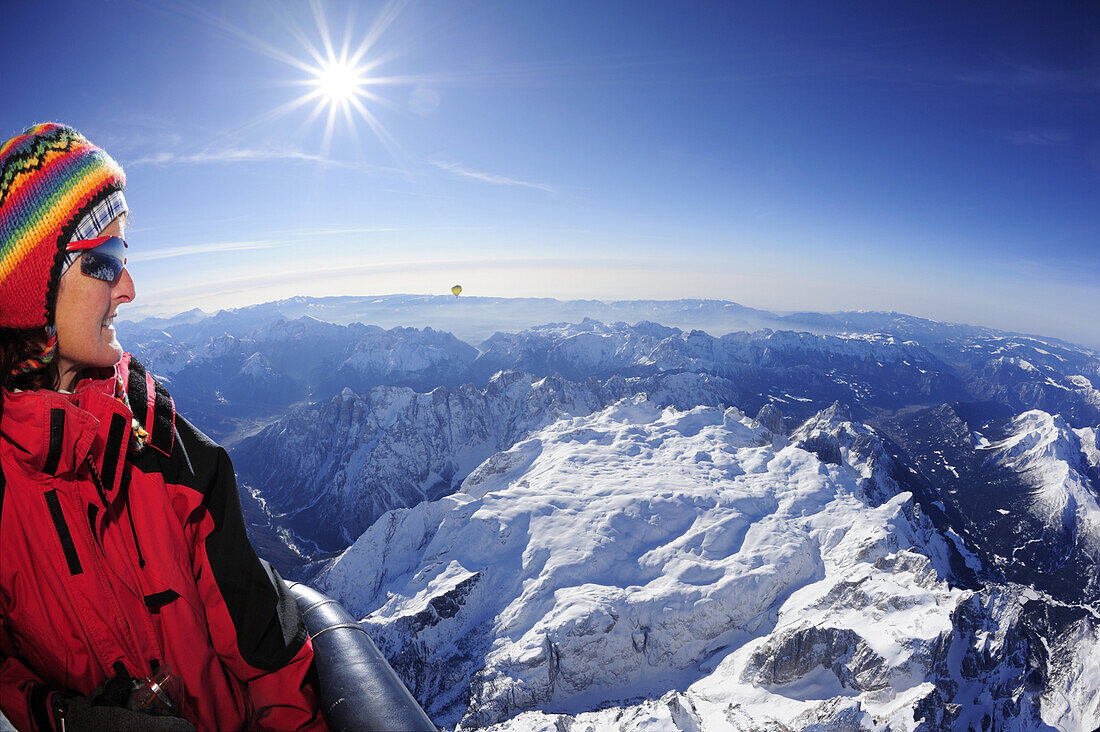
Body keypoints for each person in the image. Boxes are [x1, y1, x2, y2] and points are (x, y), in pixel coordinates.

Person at [0, 124, 328, 731]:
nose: (129, 287)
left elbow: (266, 651)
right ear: (26, 290)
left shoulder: (165, 446)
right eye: (105, 260)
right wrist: (65, 718)